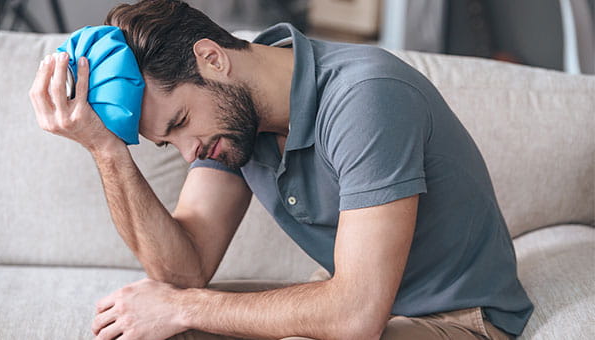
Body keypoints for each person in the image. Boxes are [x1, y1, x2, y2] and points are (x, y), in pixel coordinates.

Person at [28, 0, 533, 339]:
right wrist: (105, 151)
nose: (189, 153)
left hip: (459, 318)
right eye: (167, 142)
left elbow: (356, 314)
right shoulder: (238, 126)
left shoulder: (365, 99)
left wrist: (184, 307)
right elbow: (183, 272)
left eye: (180, 122)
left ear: (212, 59)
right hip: (364, 309)